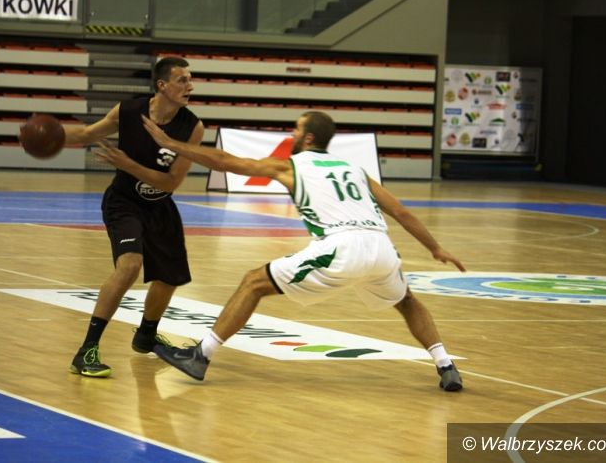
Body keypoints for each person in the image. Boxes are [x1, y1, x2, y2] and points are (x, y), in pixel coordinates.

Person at [96, 111, 465, 391]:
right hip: (382, 247)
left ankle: (200, 355)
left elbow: (225, 161)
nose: (292, 134)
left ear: (308, 138)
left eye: (296, 129)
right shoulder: (354, 169)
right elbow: (400, 212)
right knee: (407, 301)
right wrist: (435, 248)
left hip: (341, 246)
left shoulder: (290, 166)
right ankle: (445, 365)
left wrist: (173, 144)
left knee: (253, 282)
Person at [62, 57, 204, 377]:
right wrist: (53, 138)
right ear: (162, 85)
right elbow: (86, 135)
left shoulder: (191, 127)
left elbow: (170, 183)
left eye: (190, 79)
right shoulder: (128, 111)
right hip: (124, 202)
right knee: (129, 266)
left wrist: (128, 164)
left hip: (160, 205)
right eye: (182, 80)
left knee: (170, 277)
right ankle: (86, 350)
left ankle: (146, 336)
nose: (190, 86)